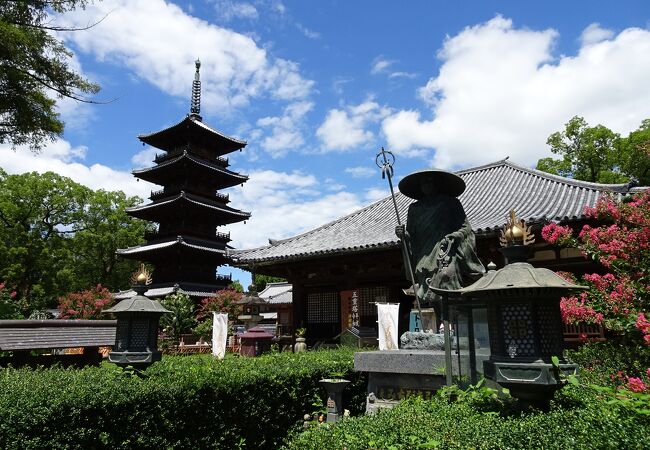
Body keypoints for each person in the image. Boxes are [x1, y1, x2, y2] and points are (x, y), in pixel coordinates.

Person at [396, 169, 484, 303]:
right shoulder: (414, 209)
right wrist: (402, 235)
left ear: (438, 183)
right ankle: (439, 320)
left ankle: (454, 315)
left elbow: (466, 227)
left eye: (431, 180)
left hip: (445, 250)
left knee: (446, 276)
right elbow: (410, 234)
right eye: (424, 182)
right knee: (427, 291)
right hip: (424, 255)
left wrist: (454, 236)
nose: (427, 184)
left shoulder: (450, 203)